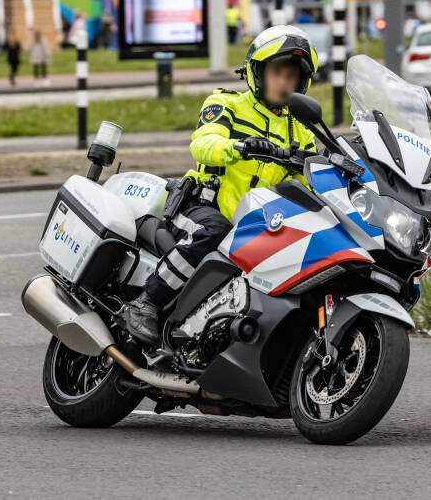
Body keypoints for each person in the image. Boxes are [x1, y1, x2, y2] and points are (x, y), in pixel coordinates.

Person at [124, 25, 319, 344]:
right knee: (213, 231)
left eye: (292, 76)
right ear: (258, 72)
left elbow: (307, 183)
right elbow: (203, 143)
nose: (285, 82)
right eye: (277, 72)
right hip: (204, 208)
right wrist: (238, 147)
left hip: (256, 226)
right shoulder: (227, 104)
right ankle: (146, 303)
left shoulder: (301, 133)